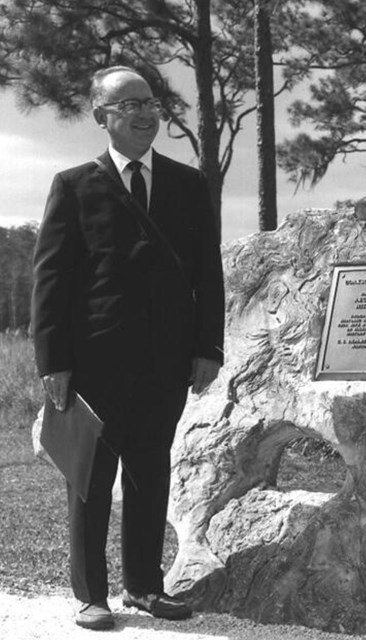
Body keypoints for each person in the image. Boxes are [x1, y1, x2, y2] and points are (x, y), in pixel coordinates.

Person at [31, 66, 225, 630]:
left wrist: (207, 346)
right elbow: (51, 282)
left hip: (166, 362)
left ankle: (144, 586)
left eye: (152, 103)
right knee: (89, 481)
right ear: (101, 116)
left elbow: (206, 274)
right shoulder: (73, 185)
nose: (146, 113)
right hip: (92, 364)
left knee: (149, 473)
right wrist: (54, 363)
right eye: (130, 104)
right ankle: (91, 595)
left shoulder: (188, 185)